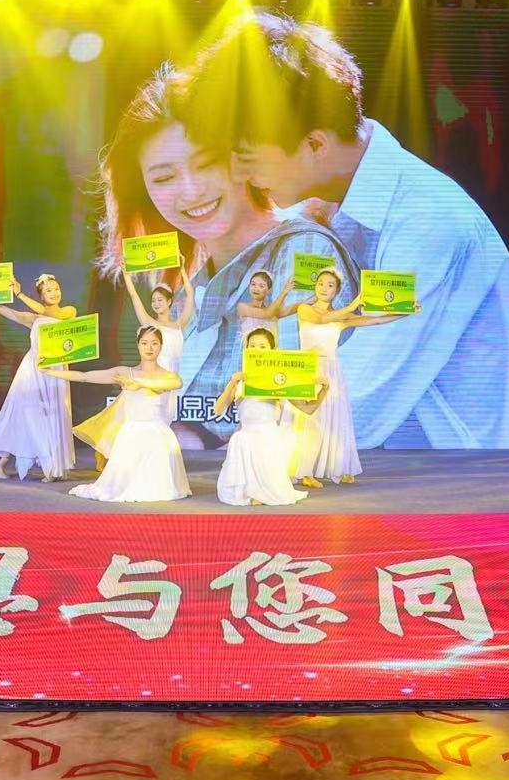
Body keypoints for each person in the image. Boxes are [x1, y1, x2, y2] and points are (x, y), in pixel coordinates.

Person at [176, 11, 509, 451]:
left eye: (248, 158)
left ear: (314, 144)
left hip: (496, 479)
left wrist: (221, 438)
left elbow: (358, 402)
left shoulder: (427, 222)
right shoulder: (314, 211)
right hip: (410, 472)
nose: (238, 174)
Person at [94, 66, 356, 435]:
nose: (191, 192)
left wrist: (188, 436)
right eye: (164, 177)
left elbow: (289, 402)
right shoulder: (191, 286)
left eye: (207, 164)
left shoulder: (303, 249)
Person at [49, 326, 190, 503]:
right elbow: (84, 376)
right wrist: (50, 371)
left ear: (161, 347)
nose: (149, 348)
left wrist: (138, 383)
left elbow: (176, 384)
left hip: (157, 434)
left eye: (154, 343)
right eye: (144, 343)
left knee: (160, 489)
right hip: (131, 433)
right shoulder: (125, 373)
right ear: (138, 345)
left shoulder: (168, 375)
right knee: (119, 485)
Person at [294, 268, 408, 485]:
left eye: (330, 285)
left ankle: (339, 465)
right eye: (320, 283)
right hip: (308, 369)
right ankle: (306, 472)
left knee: (335, 418)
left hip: (331, 369)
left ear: (336, 291)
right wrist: (353, 305)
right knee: (311, 419)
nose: (324, 288)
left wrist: (406, 310)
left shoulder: (342, 316)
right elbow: (322, 319)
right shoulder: (304, 309)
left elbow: (376, 321)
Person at [0, 273, 76, 482]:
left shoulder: (68, 312)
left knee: (53, 414)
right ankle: (3, 464)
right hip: (33, 370)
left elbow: (47, 312)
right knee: (25, 414)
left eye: (56, 288)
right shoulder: (34, 318)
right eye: (48, 290)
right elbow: (4, 310)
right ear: (41, 295)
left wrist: (19, 293)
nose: (54, 293)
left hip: (56, 370)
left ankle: (52, 467)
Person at [213, 328, 324, 506]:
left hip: (269, 439)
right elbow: (218, 409)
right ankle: (249, 493)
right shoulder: (240, 380)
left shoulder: (280, 379)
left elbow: (308, 408)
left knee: (274, 490)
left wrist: (324, 389)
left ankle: (262, 492)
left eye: (262, 346)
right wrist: (232, 383)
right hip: (245, 439)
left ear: (272, 350)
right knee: (233, 491)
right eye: (252, 346)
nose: (256, 349)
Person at [123, 269, 193, 421]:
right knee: (153, 414)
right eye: (153, 301)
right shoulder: (150, 324)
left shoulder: (179, 324)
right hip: (154, 374)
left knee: (166, 417)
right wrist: (126, 275)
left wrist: (182, 271)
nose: (156, 304)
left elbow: (190, 296)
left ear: (169, 301)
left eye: (160, 300)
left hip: (172, 376)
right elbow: (134, 296)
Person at [234, 269, 300, 344]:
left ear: (268, 290)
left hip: (270, 351)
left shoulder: (273, 312)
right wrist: (285, 291)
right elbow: (267, 314)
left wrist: (311, 299)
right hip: (251, 351)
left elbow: (295, 307)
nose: (255, 288)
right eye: (253, 284)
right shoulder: (242, 307)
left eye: (261, 286)